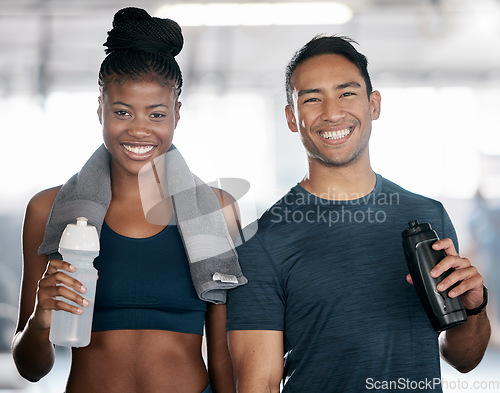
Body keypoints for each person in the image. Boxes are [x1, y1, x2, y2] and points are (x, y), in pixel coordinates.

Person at [226, 35, 491, 392]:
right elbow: (259, 383)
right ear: (292, 117)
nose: (332, 112)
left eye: (346, 93)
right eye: (312, 99)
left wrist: (474, 308)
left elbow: (463, 359)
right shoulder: (262, 242)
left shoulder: (428, 218)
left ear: (374, 104)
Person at [11, 7, 244, 393]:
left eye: (156, 114)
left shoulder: (215, 209)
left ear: (177, 114)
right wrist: (40, 319)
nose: (139, 129)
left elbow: (222, 354)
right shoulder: (48, 210)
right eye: (122, 111)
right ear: (100, 108)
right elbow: (30, 369)